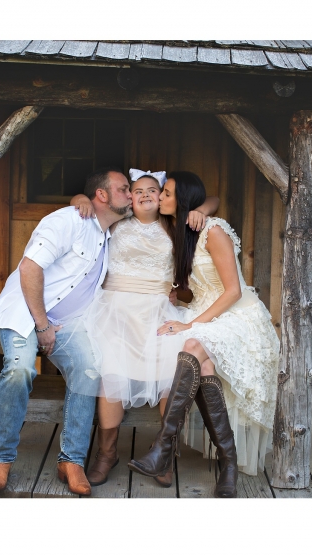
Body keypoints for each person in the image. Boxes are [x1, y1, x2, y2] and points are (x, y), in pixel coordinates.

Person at [127, 171, 281, 498]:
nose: (160, 198)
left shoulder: (212, 230)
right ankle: (228, 462)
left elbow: (233, 291)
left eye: (166, 193)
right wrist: (174, 296)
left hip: (238, 315)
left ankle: (161, 449)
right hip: (204, 312)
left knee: (193, 342)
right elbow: (195, 288)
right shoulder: (179, 230)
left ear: (181, 200)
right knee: (203, 365)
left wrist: (190, 325)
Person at [0, 167, 132, 496]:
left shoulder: (107, 236)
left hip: (69, 323)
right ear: (101, 195)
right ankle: (1, 459)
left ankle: (71, 460)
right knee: (20, 369)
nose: (131, 194)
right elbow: (29, 267)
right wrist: (42, 325)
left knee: (90, 367)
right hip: (26, 313)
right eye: (124, 189)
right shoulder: (68, 220)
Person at [69, 169, 218, 488]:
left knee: (172, 368)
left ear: (164, 196)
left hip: (156, 309)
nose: (147, 194)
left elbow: (213, 200)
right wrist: (80, 198)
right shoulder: (117, 220)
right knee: (111, 371)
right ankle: (107, 453)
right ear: (128, 198)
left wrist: (201, 210)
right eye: (138, 190)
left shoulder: (172, 225)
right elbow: (84, 202)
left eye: (154, 189)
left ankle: (163, 453)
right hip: (115, 310)